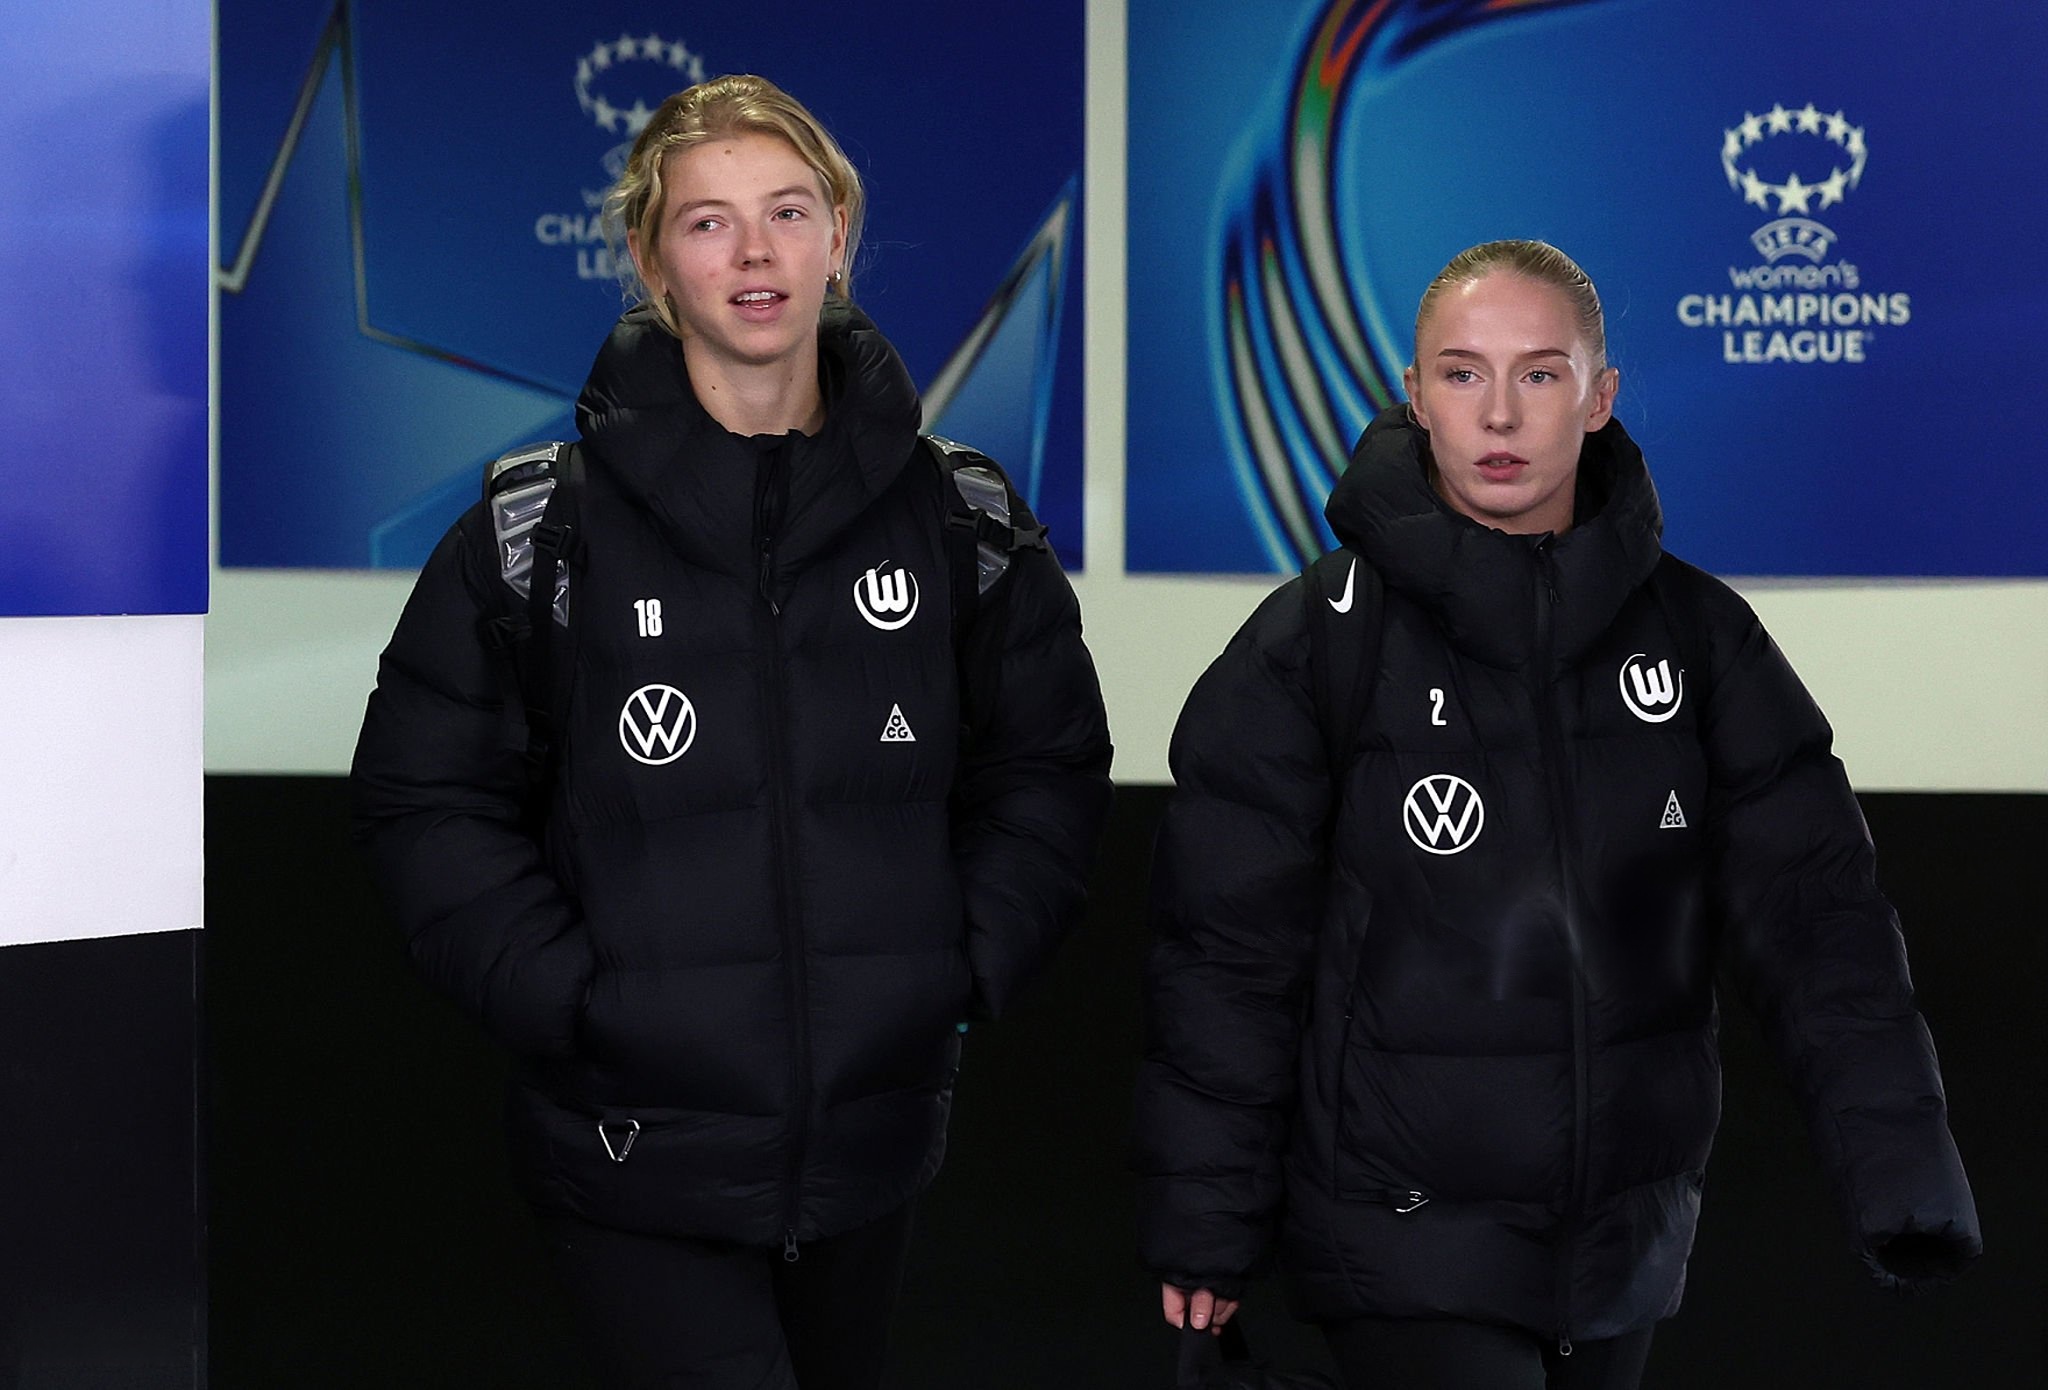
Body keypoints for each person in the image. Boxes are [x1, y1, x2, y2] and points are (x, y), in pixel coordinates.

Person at [351, 73, 1112, 1390]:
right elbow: (424, 797)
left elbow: (1046, 763)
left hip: (870, 1143)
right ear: (651, 259)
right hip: (629, 1140)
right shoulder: (538, 530)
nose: (756, 253)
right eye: (709, 223)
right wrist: (577, 1001)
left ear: (838, 237)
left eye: (788, 212)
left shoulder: (960, 517)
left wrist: (953, 964)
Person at [1133, 240, 1979, 1389]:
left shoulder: (1700, 637)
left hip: (1622, 1243)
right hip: (1396, 1232)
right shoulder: (1314, 642)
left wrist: (1900, 1170)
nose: (1498, 413)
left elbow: (1817, 915)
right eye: (1461, 373)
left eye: (1537, 373)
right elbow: (1226, 955)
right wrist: (1205, 1213)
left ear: (1597, 396)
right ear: (1414, 394)